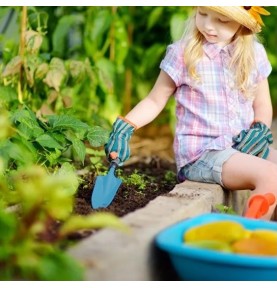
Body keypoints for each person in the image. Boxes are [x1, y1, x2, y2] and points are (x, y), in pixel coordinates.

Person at [104, 6, 277, 220]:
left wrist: (260, 127)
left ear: (242, 25)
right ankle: (247, 244)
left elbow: (263, 104)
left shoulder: (254, 55)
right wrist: (125, 126)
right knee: (270, 175)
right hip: (202, 153)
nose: (208, 25)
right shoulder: (184, 53)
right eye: (202, 14)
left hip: (241, 146)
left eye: (222, 20)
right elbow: (154, 100)